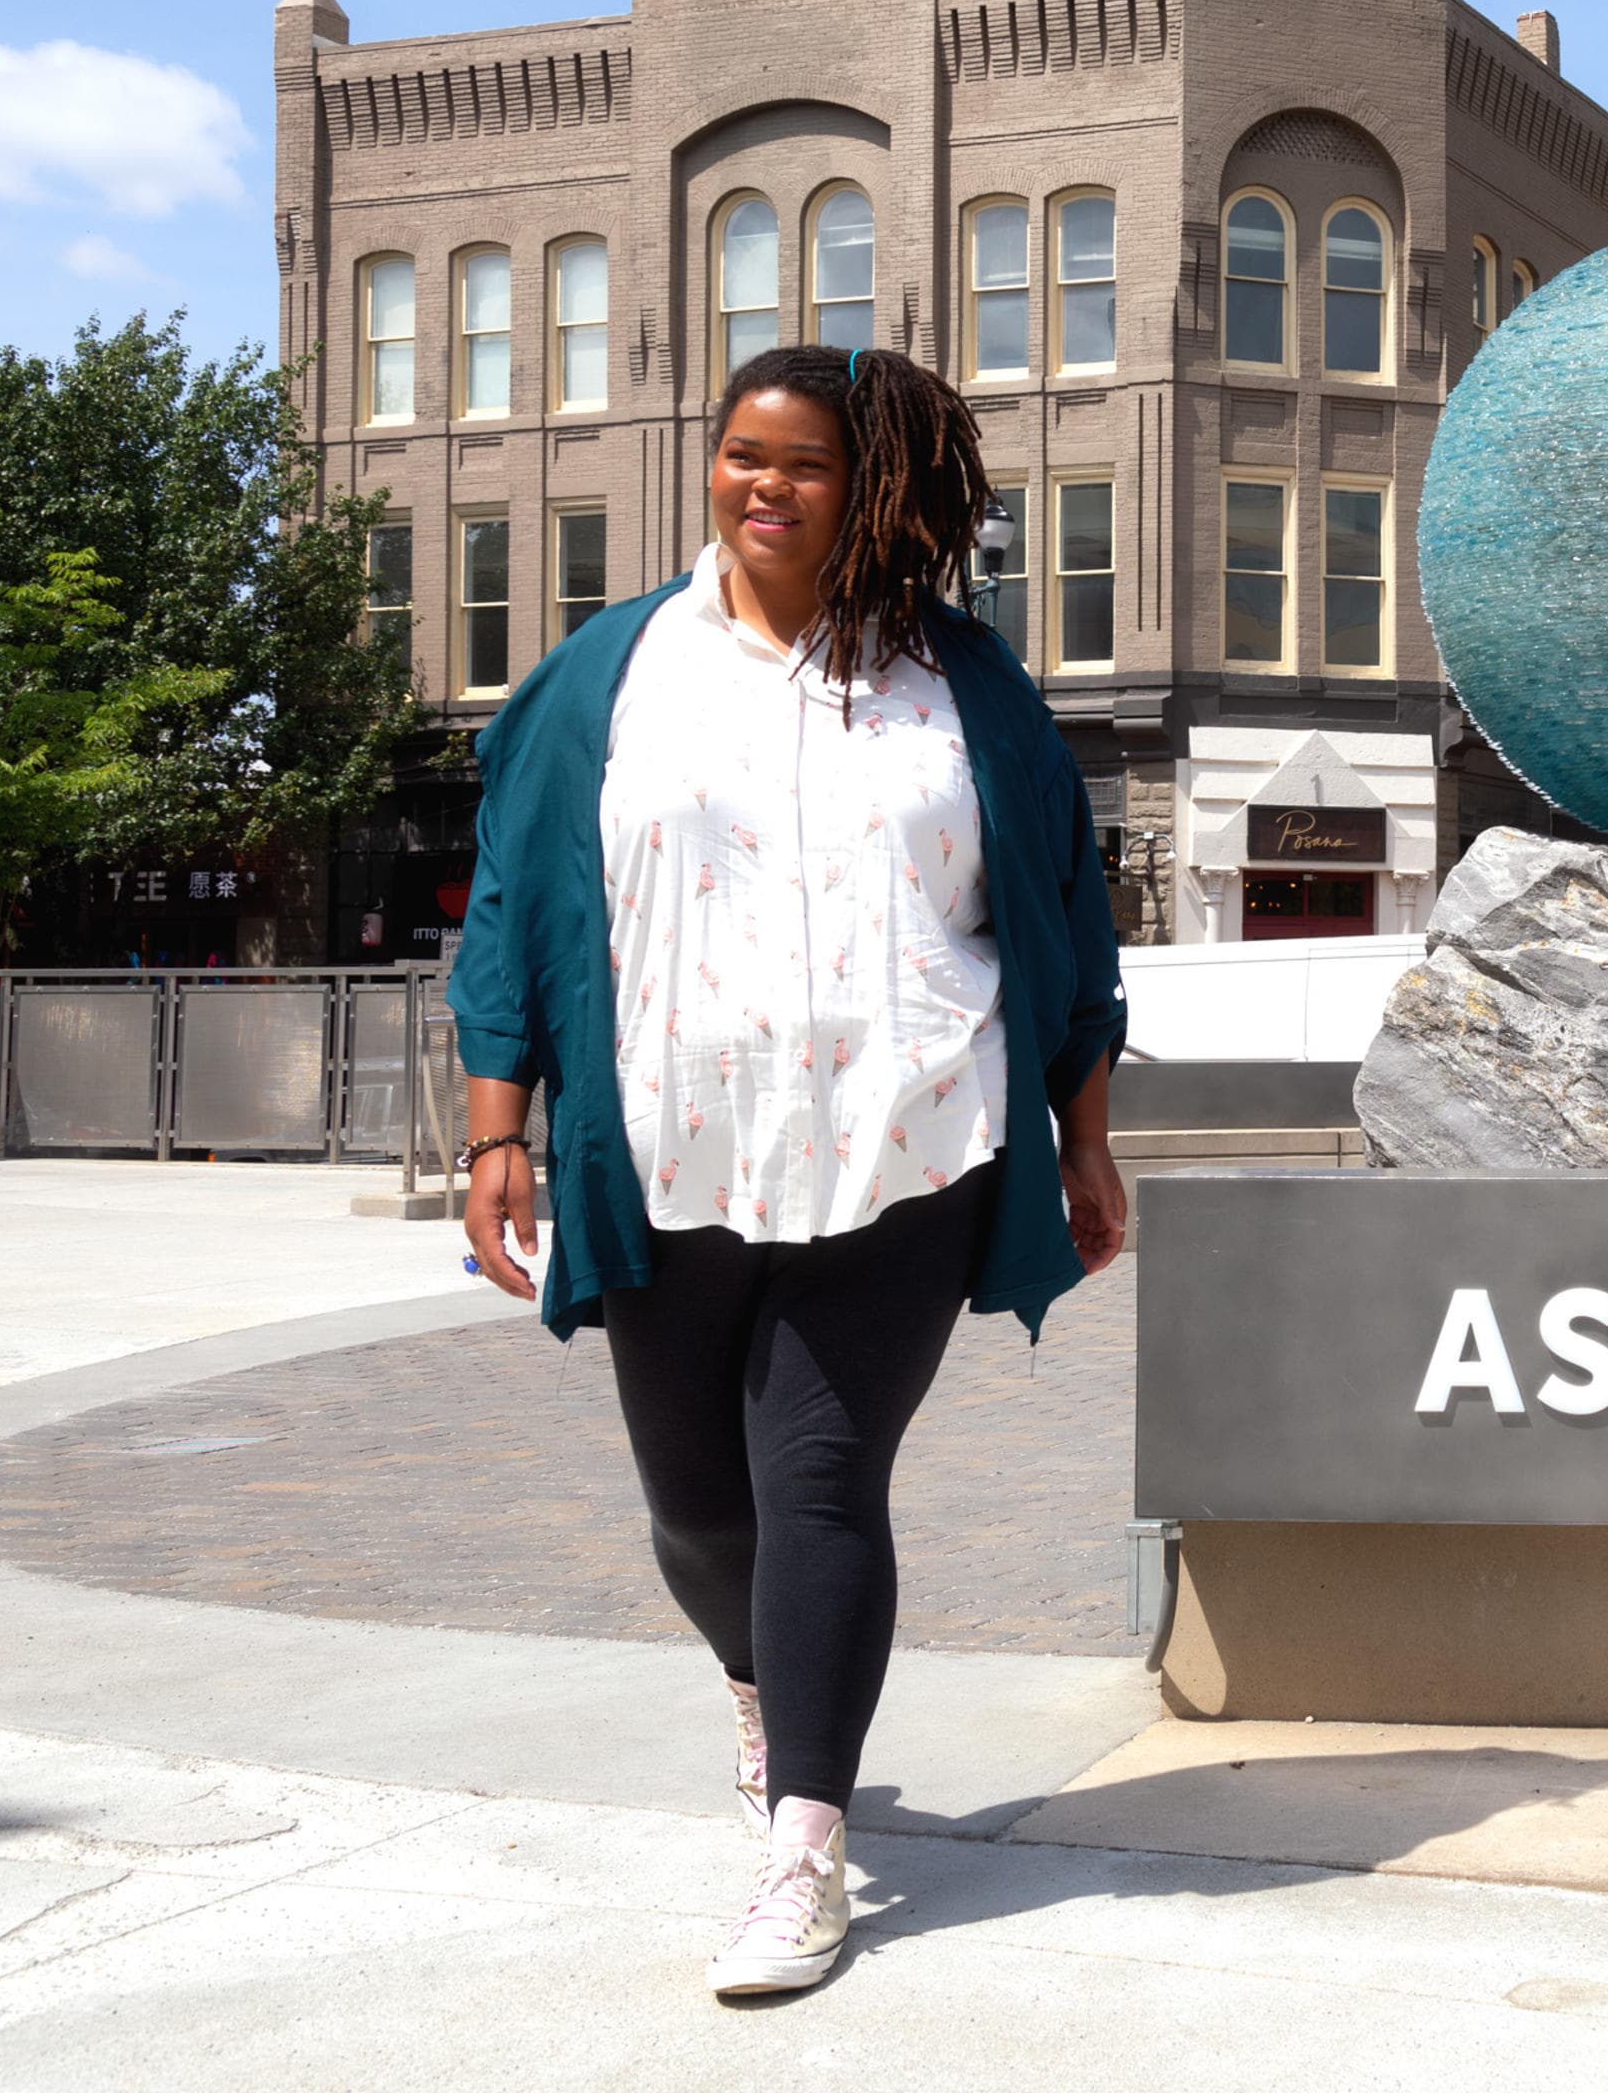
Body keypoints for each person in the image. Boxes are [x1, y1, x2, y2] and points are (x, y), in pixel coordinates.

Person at [449, 342, 1128, 1998]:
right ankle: (766, 1694)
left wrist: (1083, 1138)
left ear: (874, 487)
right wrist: (494, 1130)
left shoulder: (964, 689)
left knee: (820, 1482)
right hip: (663, 1144)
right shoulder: (611, 676)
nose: (763, 485)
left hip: (910, 1137)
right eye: (740, 452)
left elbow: (1058, 908)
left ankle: (805, 1847)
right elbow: (514, 910)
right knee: (698, 1512)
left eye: (804, 462)